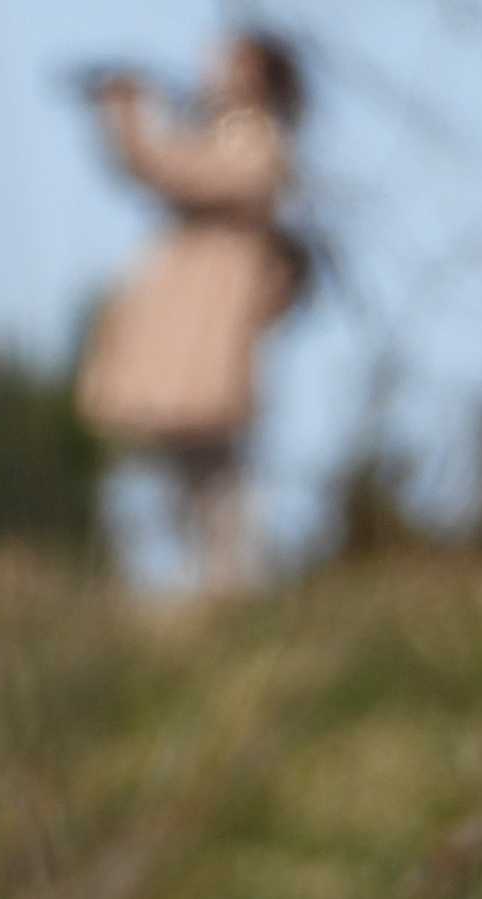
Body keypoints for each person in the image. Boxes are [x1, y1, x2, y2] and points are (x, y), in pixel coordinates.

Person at [76, 31, 307, 595]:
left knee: (210, 470)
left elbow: (172, 169)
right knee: (171, 469)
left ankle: (224, 586)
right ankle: (176, 589)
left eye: (230, 60)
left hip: (208, 329)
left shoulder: (257, 141)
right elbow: (163, 165)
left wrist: (130, 117)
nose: (212, 68)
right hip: (186, 326)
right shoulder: (221, 135)